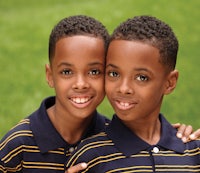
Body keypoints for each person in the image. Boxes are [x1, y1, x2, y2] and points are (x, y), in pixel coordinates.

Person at [0, 15, 198, 173]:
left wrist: (173, 136)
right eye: (67, 72)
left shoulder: (109, 132)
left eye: (94, 72)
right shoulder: (17, 145)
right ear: (50, 76)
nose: (80, 84)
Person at [66, 15, 200, 172]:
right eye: (114, 74)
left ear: (169, 82)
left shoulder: (193, 151)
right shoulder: (89, 157)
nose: (123, 88)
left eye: (141, 77)